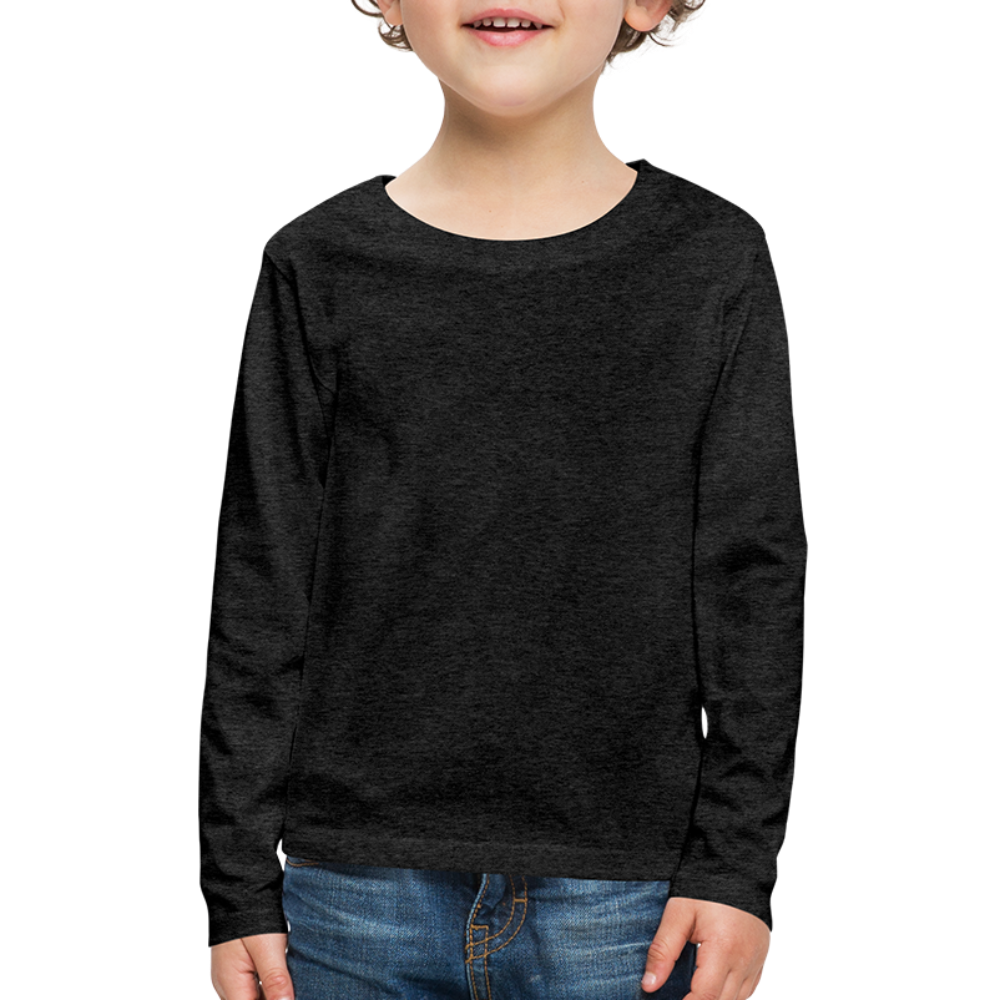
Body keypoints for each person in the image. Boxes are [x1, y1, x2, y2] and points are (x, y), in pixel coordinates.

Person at [199, 1, 807, 998]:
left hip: (633, 897)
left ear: (645, 2)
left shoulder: (714, 258)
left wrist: (736, 867)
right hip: (344, 892)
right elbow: (260, 590)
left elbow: (755, 581)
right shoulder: (314, 260)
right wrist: (237, 887)